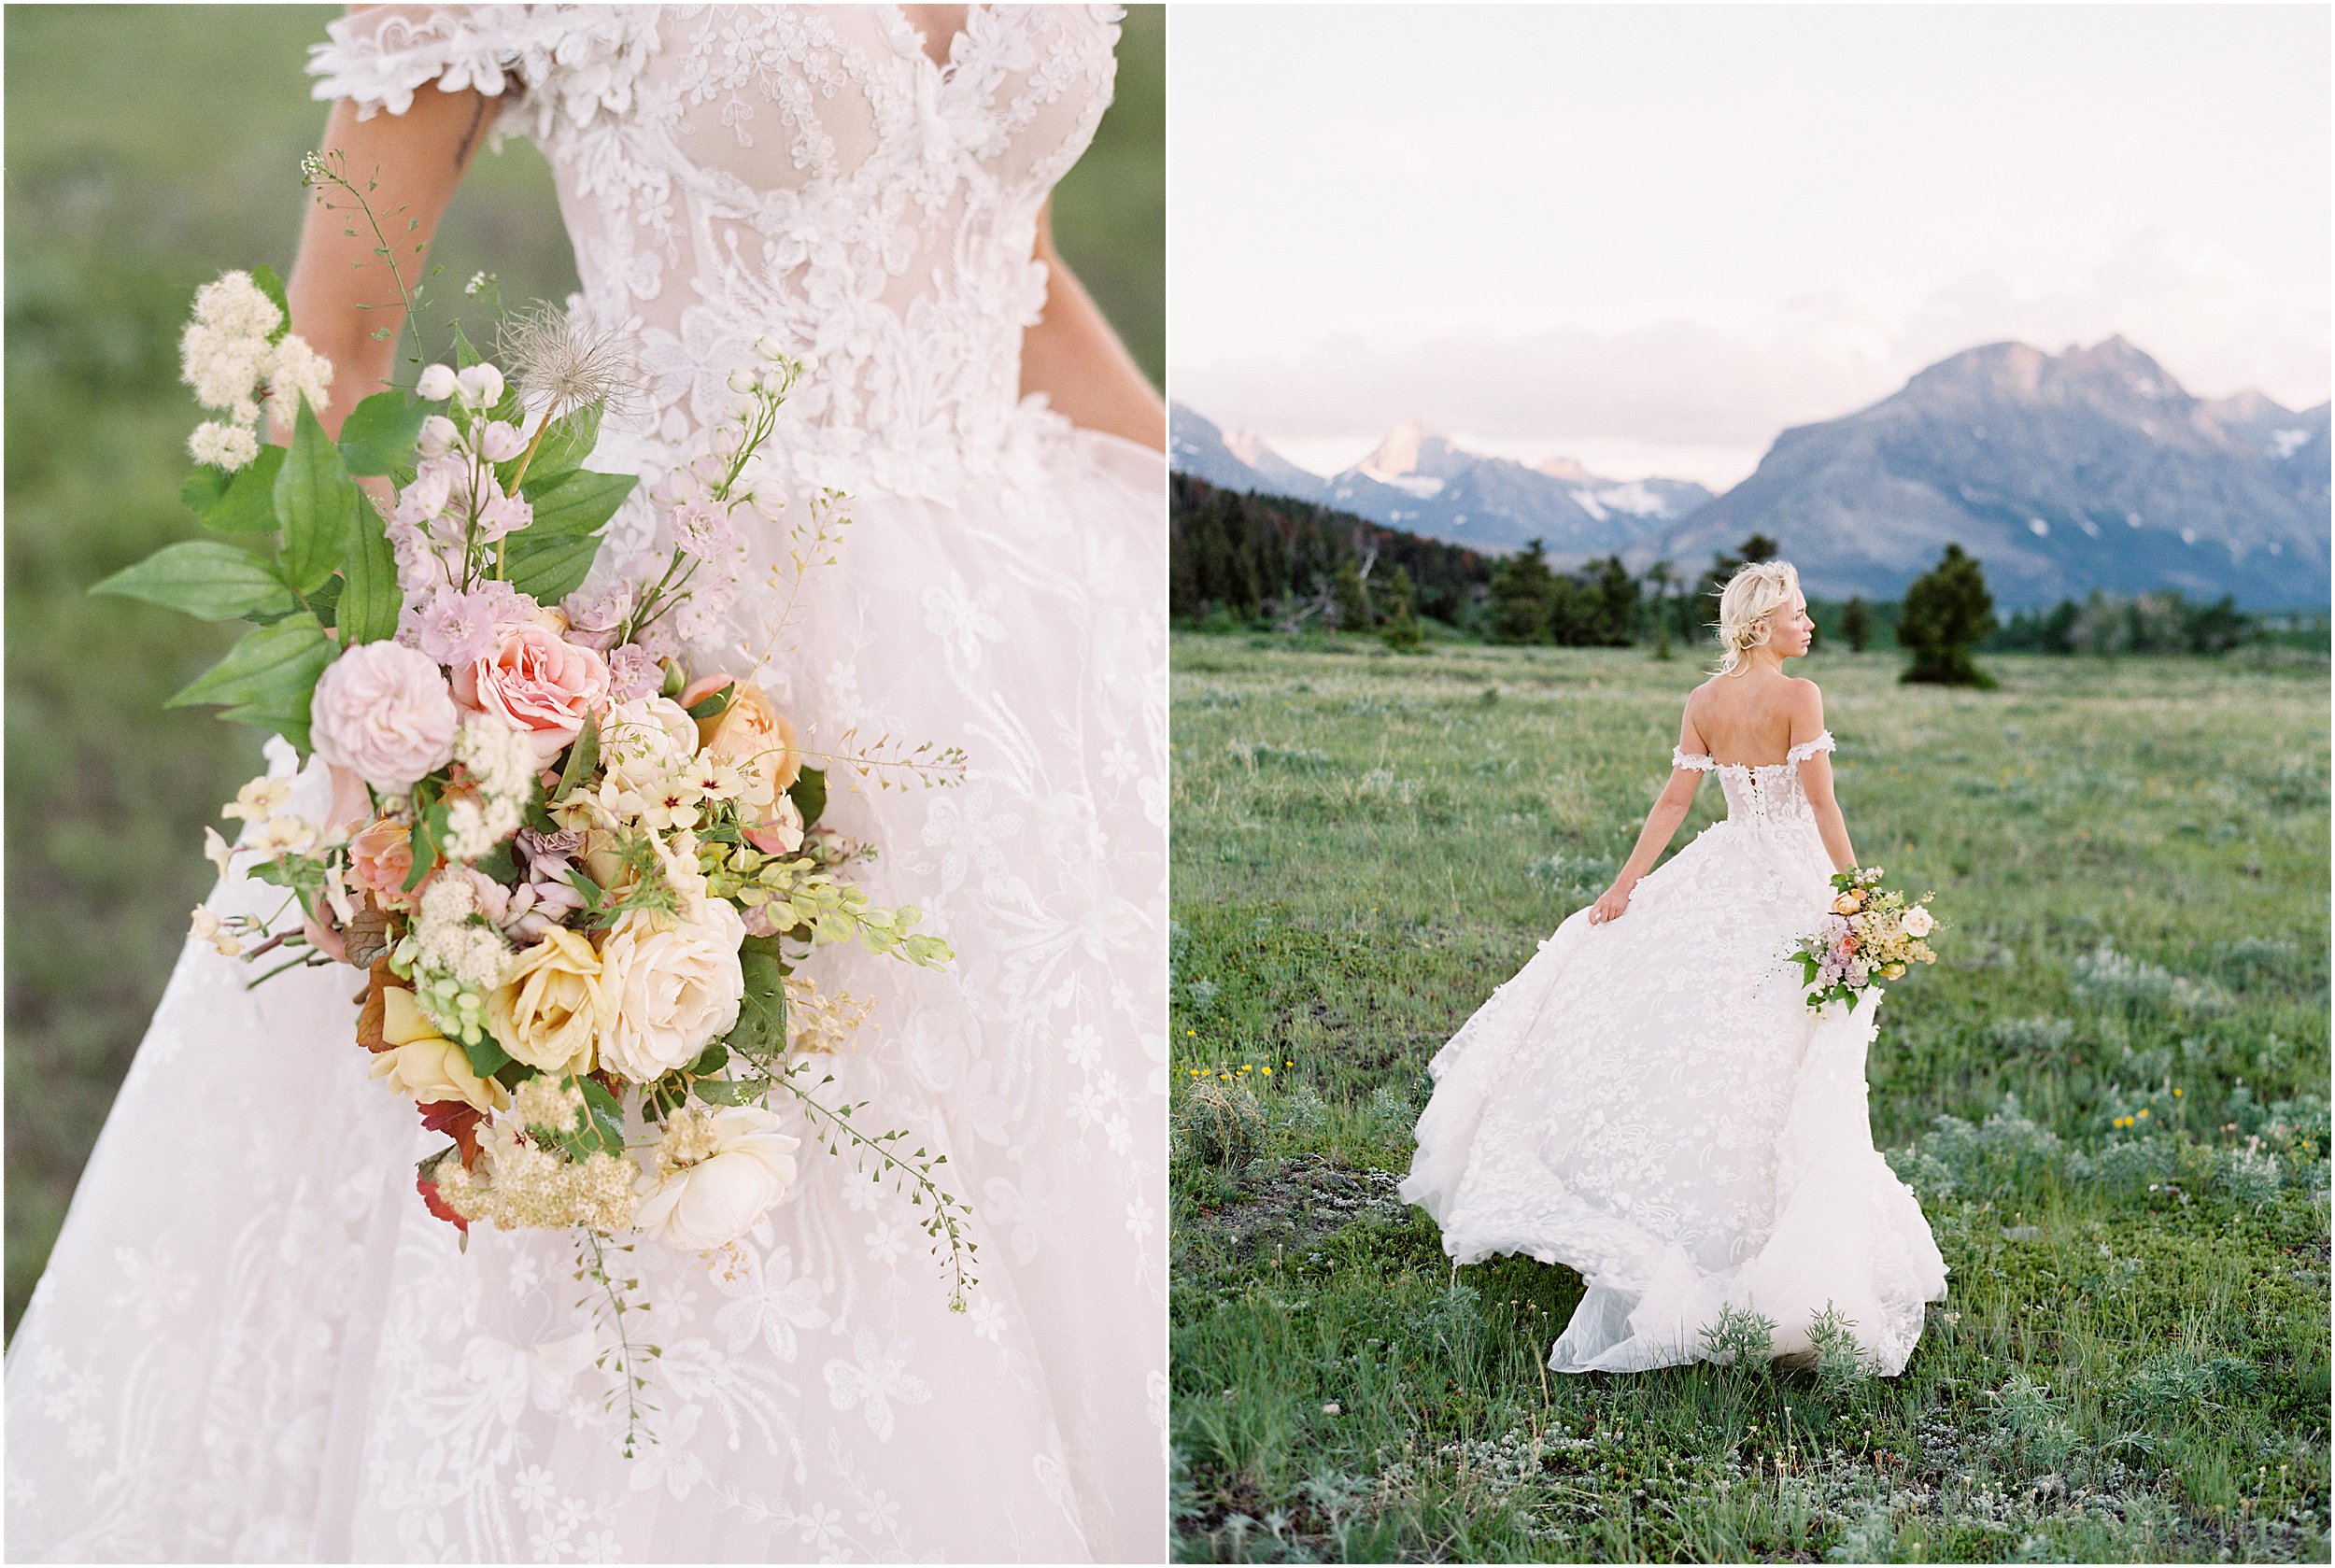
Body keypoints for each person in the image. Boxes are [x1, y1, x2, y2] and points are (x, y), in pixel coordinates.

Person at [5, 6, 1167, 1561]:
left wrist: (1194, 514)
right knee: (676, 1258)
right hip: (677, 662)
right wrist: (424, 740)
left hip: (1026, 642)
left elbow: (996, 248)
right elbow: (331, 346)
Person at [1400, 560, 1948, 1376]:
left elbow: (1674, 805)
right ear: (1763, 624)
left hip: (1725, 868)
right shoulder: (1801, 698)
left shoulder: (1703, 701)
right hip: (1786, 881)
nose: (1809, 625)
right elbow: (1822, 803)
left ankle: (1725, 1224)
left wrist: (1627, 887)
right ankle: (1764, 1244)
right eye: (1798, 613)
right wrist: (1853, 896)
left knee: (1717, 1040)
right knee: (1778, 1050)